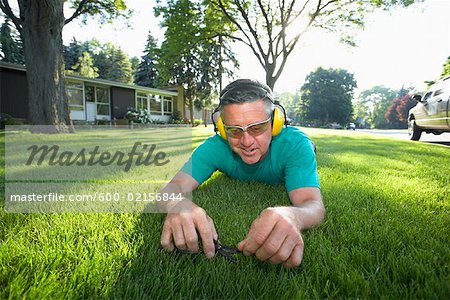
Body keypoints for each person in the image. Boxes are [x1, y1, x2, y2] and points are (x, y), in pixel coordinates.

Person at [160, 79, 324, 268]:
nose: (246, 142)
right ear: (222, 129)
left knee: (307, 148)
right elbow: (171, 188)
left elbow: (312, 205)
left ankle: (312, 147)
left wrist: (294, 216)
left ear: (275, 123)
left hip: (301, 146)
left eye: (257, 128)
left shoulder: (294, 145)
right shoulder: (215, 146)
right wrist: (177, 205)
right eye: (234, 131)